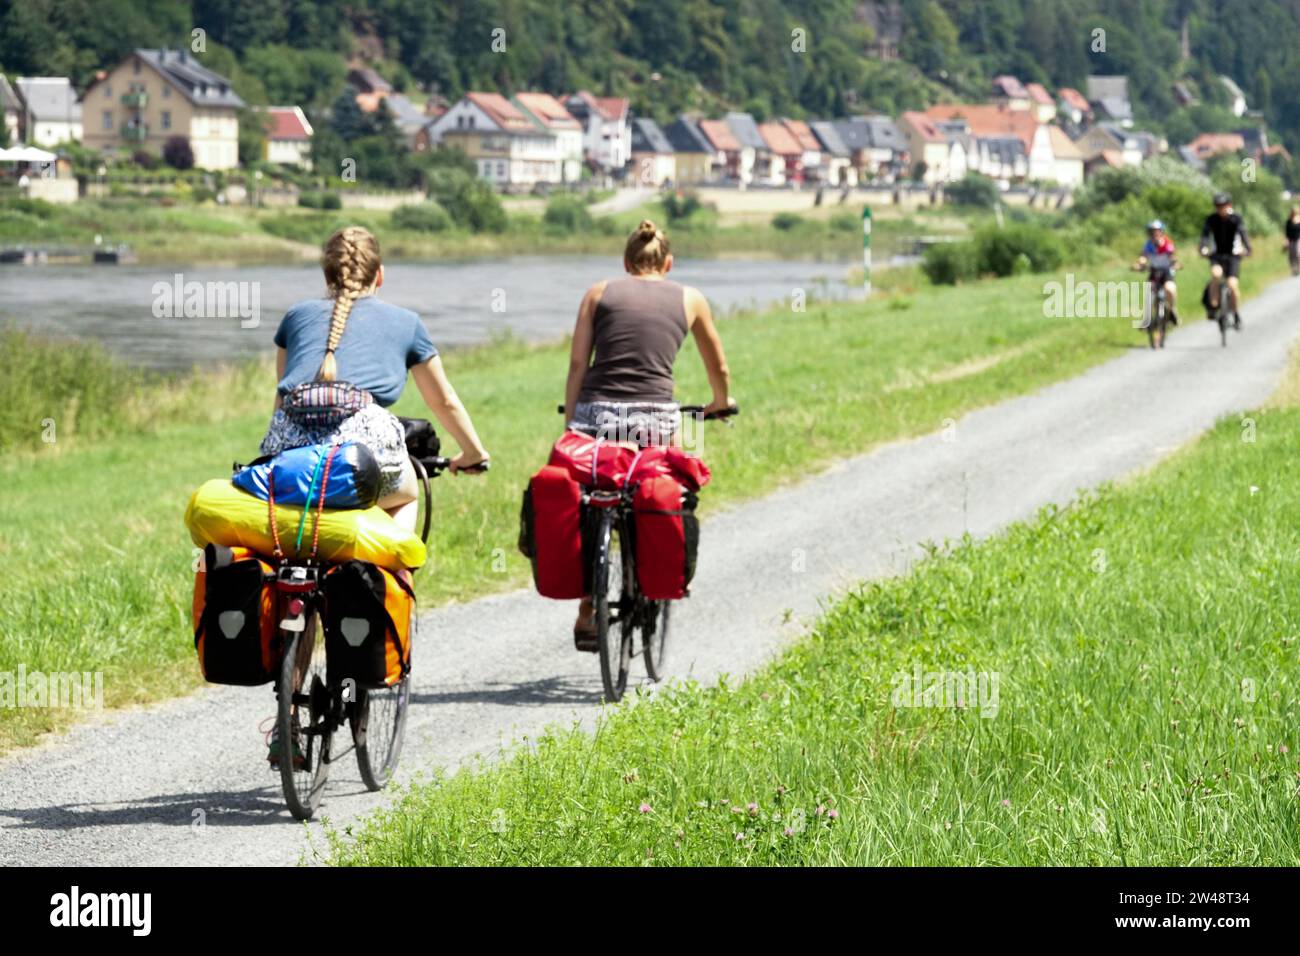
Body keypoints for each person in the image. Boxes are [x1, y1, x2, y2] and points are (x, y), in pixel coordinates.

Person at [261, 226, 490, 768]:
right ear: (380, 276)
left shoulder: (296, 318)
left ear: (325, 276)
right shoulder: (405, 322)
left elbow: (280, 400)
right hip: (362, 451)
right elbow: (445, 402)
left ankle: (285, 722)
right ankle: (391, 572)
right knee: (405, 488)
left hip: (289, 456)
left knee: (299, 566)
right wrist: (473, 453)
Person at [563, 219, 734, 649]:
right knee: (670, 492)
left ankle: (587, 606)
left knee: (589, 499)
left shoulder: (597, 293)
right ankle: (665, 571)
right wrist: (720, 402)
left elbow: (578, 365)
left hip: (596, 416)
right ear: (669, 264)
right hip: (656, 420)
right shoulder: (691, 298)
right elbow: (719, 366)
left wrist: (572, 421)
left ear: (625, 263)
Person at [1198, 192, 1251, 330]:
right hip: (1217, 255)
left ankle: (1236, 314)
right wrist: (1203, 248)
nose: (1220, 208)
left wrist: (1248, 249)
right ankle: (1214, 307)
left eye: (1223, 205)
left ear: (1229, 205)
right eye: (1218, 206)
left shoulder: (1236, 219)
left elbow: (1243, 234)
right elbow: (1205, 236)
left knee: (1232, 285)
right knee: (1215, 275)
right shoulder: (1212, 219)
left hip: (1233, 256)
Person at [1133, 219, 1179, 330]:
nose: (1155, 234)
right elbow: (1143, 256)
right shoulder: (1148, 244)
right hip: (1154, 273)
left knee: (1170, 289)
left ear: (1162, 232)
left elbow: (1172, 256)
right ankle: (1147, 319)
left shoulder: (1167, 243)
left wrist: (1175, 263)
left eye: (1157, 231)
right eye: (1152, 232)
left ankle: (1172, 310)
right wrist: (1140, 263)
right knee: (1149, 293)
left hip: (1166, 272)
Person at [1284, 206, 1300, 277]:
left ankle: (1297, 268)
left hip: (1298, 240)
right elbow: (1287, 232)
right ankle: (1294, 269)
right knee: (1292, 256)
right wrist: (1286, 241)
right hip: (1291, 240)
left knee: (1297, 254)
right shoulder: (1288, 221)